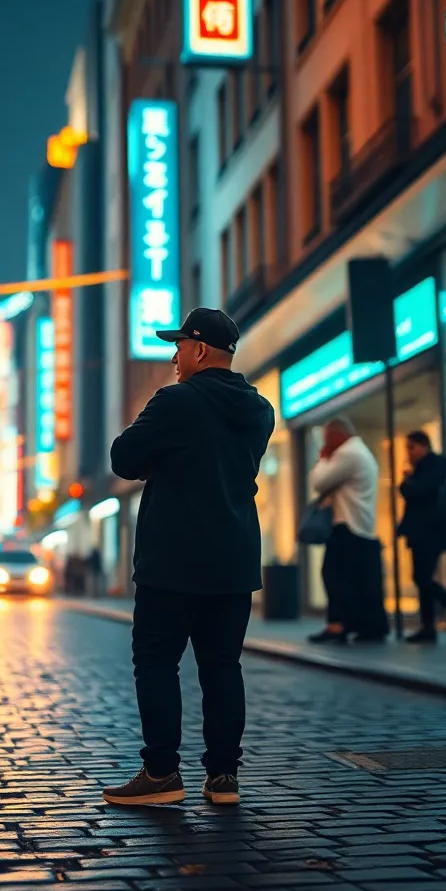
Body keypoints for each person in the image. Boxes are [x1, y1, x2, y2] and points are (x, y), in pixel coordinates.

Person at [102, 308, 274, 808]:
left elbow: (123, 457)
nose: (174, 357)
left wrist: (160, 459)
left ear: (199, 350)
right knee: (223, 666)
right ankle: (223, 777)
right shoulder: (260, 409)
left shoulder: (175, 401)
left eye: (179, 346)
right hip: (234, 558)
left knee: (156, 662)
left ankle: (161, 772)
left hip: (173, 559)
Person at [308, 417, 390, 645]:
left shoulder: (347, 454)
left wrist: (323, 459)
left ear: (338, 435)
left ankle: (338, 624)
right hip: (360, 525)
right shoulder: (360, 452)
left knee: (334, 575)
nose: (326, 444)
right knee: (358, 580)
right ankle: (361, 626)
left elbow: (319, 482)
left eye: (327, 439)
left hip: (348, 524)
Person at [399, 431, 446, 643]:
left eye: (411, 448)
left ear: (424, 446)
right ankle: (428, 625)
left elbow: (420, 492)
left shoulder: (435, 465)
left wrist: (406, 483)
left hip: (430, 532)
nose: (409, 453)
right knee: (422, 578)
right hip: (423, 532)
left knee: (423, 577)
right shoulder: (425, 468)